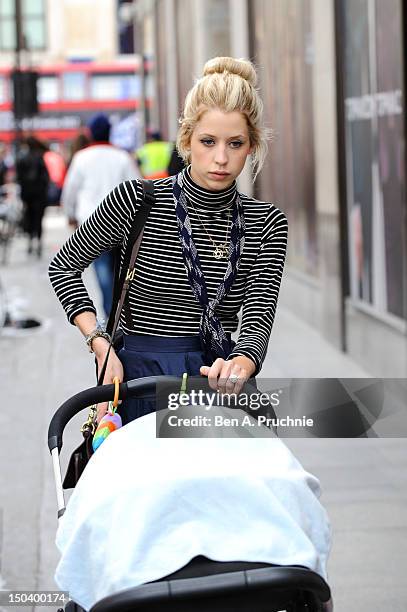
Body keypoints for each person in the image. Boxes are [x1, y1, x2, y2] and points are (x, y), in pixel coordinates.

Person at [49, 56, 288, 424]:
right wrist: (99, 343)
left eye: (235, 143)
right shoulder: (136, 200)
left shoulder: (267, 223)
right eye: (208, 141)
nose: (221, 158)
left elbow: (257, 317)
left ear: (252, 146)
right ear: (187, 139)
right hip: (139, 382)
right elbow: (63, 265)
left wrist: (242, 363)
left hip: (215, 381)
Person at [60, 113, 140, 317]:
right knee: (121, 269)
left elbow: (70, 190)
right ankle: (122, 311)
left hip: (91, 223)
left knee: (102, 269)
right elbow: (138, 186)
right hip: (122, 222)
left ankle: (109, 313)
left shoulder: (81, 158)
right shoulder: (121, 157)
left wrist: (70, 214)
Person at [16, 135, 50, 257]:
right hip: (39, 195)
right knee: (38, 219)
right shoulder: (39, 157)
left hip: (28, 195)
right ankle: (38, 243)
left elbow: (19, 178)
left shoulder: (22, 157)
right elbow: (45, 177)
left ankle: (30, 242)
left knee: (29, 217)